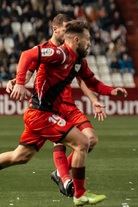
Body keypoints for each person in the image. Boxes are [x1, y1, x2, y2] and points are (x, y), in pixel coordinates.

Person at [5, 14, 126, 198]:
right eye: (88, 40)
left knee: (20, 156)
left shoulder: (78, 61)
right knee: (82, 142)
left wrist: (111, 91)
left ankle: (65, 178)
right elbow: (27, 55)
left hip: (47, 112)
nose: (90, 44)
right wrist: (19, 82)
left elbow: (92, 82)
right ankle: (79, 193)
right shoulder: (58, 53)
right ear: (75, 39)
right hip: (41, 113)